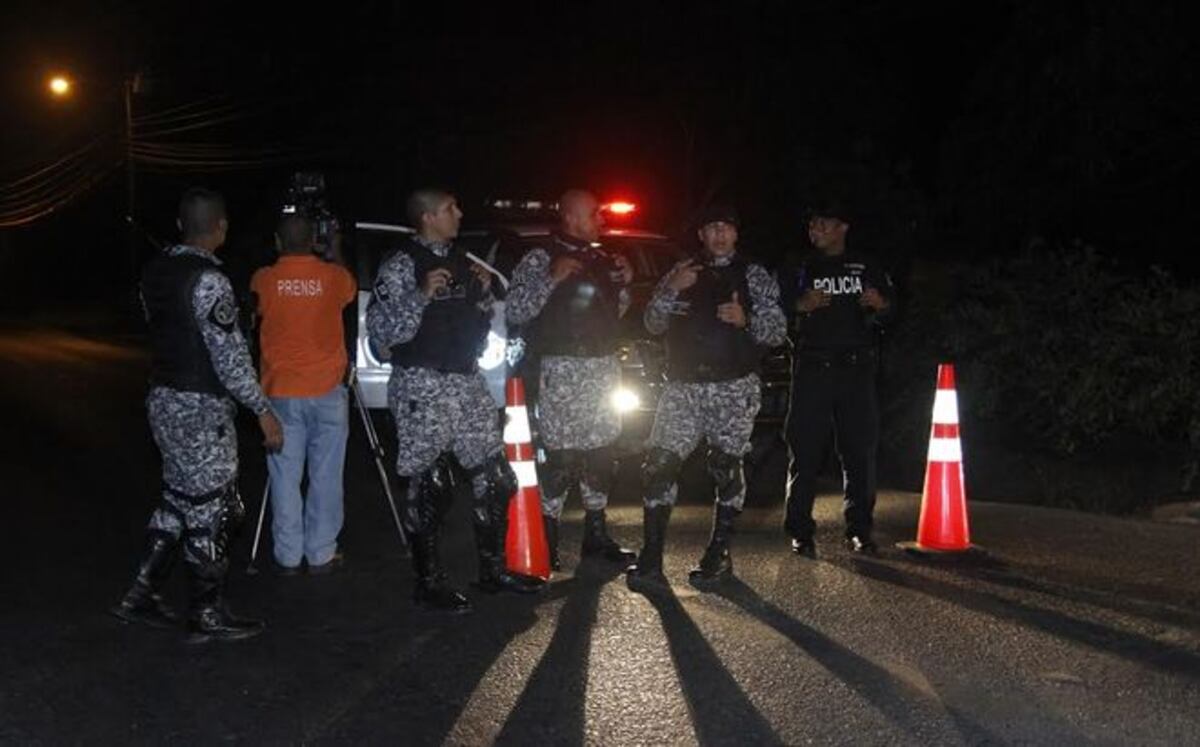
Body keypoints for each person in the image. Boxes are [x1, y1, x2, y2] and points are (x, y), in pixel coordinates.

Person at [111, 187, 284, 642]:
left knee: (179, 499)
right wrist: (262, 410)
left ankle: (141, 594)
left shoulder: (155, 271)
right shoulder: (209, 280)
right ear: (221, 227)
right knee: (216, 506)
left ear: (180, 224)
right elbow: (227, 357)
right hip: (199, 403)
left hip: (165, 398)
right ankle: (206, 613)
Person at [367, 187, 541, 613]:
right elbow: (381, 338)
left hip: (467, 383)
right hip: (423, 385)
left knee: (497, 476)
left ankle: (492, 569)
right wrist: (419, 295)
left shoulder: (463, 262)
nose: (459, 214)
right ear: (427, 217)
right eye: (450, 209)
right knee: (430, 486)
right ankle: (428, 582)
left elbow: (478, 330)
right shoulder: (402, 265)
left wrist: (481, 299)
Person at [627, 205, 786, 587]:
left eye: (726, 228)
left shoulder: (753, 275)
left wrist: (746, 319)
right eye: (712, 227)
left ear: (735, 233)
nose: (719, 235)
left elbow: (777, 331)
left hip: (733, 387)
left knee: (725, 467)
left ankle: (718, 554)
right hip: (682, 387)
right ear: (701, 233)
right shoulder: (682, 271)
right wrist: (669, 290)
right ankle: (651, 560)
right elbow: (651, 323)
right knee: (659, 464)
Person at [505, 189, 638, 571]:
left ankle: (596, 535)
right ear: (571, 217)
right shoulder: (541, 257)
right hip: (562, 369)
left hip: (603, 367)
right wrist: (550, 277)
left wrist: (625, 283)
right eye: (595, 213)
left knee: (601, 453)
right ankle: (546, 535)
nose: (602, 219)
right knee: (561, 457)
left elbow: (617, 312)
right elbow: (516, 309)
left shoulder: (601, 258)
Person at [779, 200, 895, 556]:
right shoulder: (800, 265)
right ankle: (800, 530)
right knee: (806, 450)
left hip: (856, 370)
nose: (815, 231)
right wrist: (800, 305)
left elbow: (892, 313)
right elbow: (775, 310)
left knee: (859, 451)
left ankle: (859, 529)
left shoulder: (865, 265)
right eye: (812, 225)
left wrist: (882, 305)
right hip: (813, 367)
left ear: (842, 227)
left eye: (823, 225)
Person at [249, 214, 356, 575]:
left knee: (284, 475)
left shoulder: (263, 279)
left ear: (277, 243)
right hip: (327, 390)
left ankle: (289, 555)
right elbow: (350, 289)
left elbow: (256, 311)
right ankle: (321, 552)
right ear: (314, 240)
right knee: (326, 474)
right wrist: (335, 249)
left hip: (281, 392)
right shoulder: (333, 277)